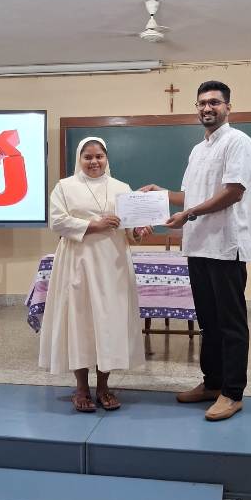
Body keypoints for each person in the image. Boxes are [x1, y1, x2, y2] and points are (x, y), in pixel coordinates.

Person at [142, 80, 251, 421]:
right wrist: (162, 194)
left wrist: (189, 213)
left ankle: (232, 393)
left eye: (214, 102)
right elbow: (188, 196)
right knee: (208, 322)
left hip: (226, 247)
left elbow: (233, 192)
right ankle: (212, 383)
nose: (207, 108)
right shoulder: (198, 150)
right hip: (198, 246)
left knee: (231, 324)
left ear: (228, 107)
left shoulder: (238, 142)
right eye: (202, 103)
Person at [39, 137, 151, 412]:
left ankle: (103, 387)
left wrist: (138, 231)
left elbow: (130, 229)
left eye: (99, 156)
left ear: (106, 158)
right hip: (78, 263)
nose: (94, 162)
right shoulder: (65, 187)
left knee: (108, 323)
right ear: (79, 158)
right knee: (80, 321)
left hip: (113, 265)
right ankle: (81, 388)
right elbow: (57, 221)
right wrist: (95, 225)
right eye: (88, 157)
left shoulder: (121, 188)